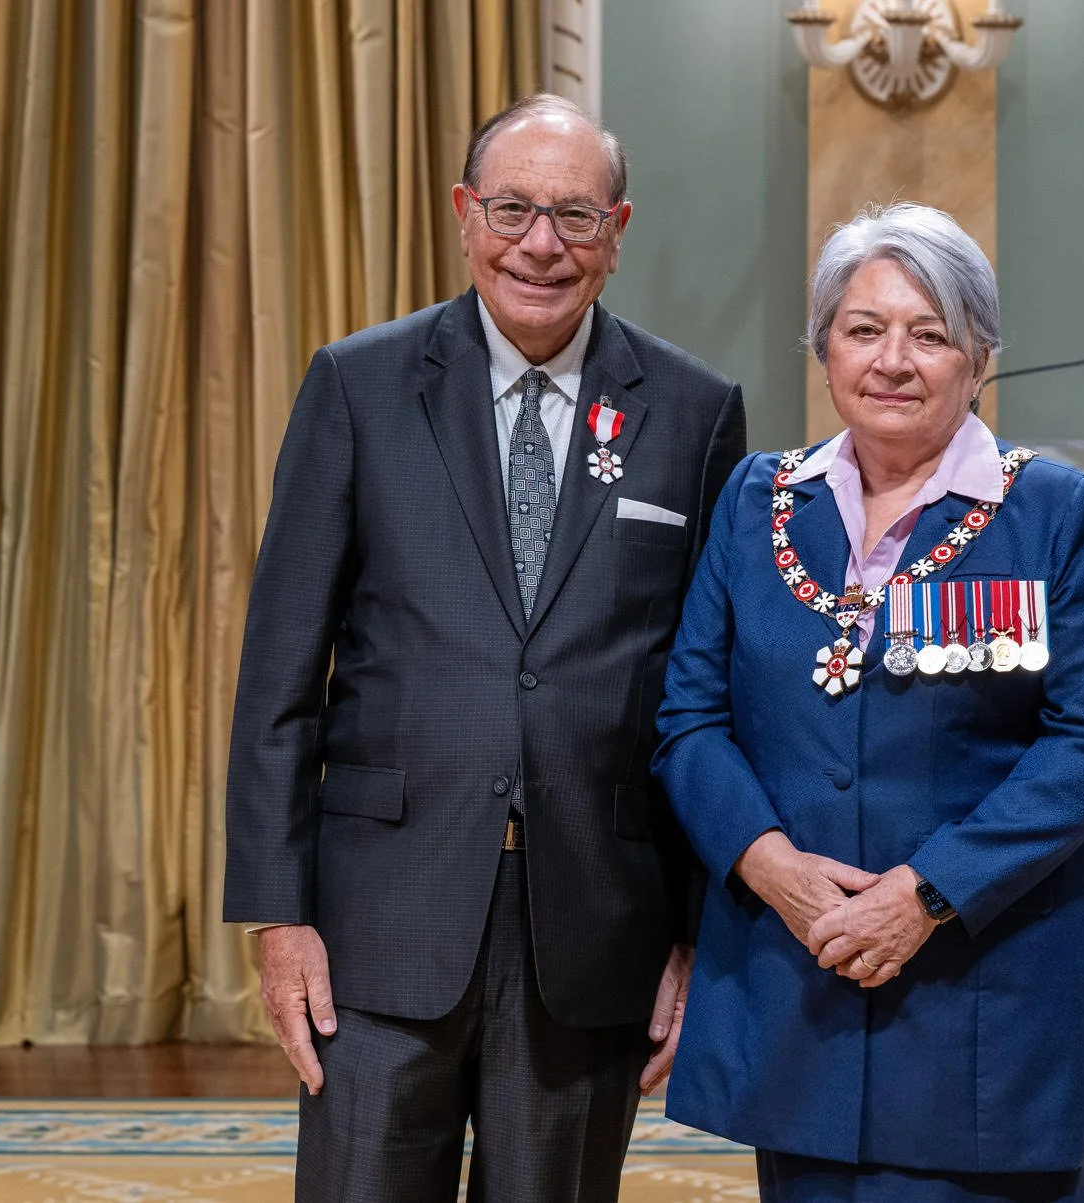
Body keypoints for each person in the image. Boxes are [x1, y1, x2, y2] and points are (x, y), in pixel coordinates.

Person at [223, 93, 745, 1202]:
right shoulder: (357, 386)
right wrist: (278, 916)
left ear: (618, 230)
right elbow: (279, 677)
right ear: (465, 214)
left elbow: (709, 698)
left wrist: (697, 939)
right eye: (512, 209)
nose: (540, 245)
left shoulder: (696, 412)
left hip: (595, 929)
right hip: (376, 926)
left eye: (574, 216)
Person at [653, 202, 1084, 1203]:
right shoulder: (757, 503)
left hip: (986, 999)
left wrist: (922, 895)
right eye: (864, 328)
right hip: (801, 980)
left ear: (978, 358)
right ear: (823, 347)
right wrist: (770, 865)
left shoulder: (1052, 512)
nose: (893, 359)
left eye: (930, 334)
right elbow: (688, 720)